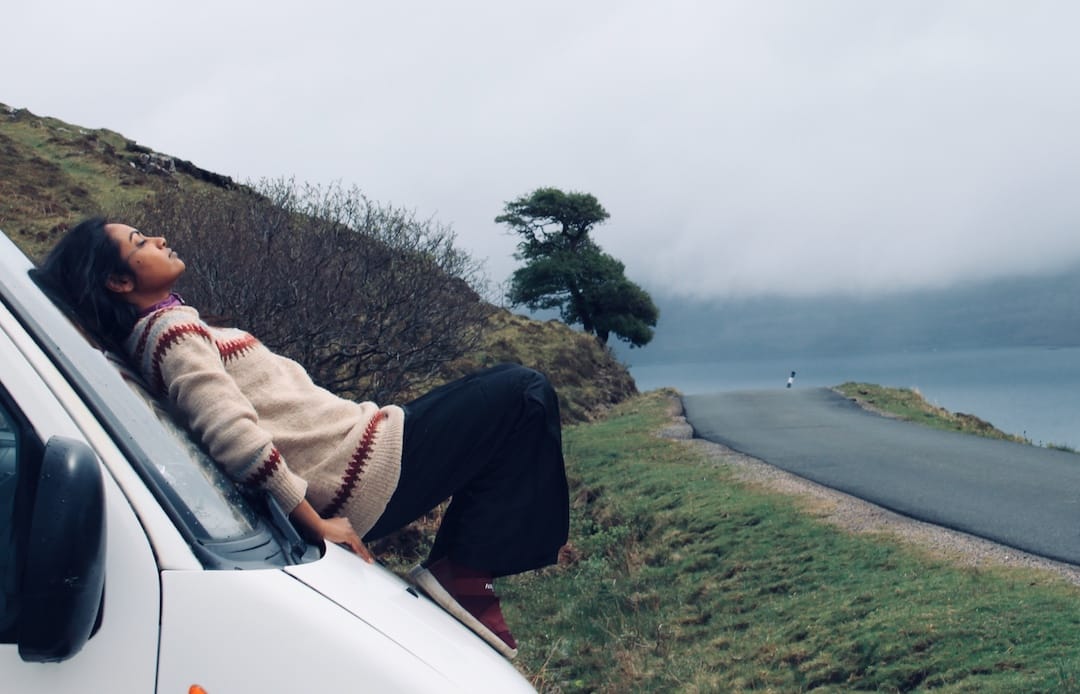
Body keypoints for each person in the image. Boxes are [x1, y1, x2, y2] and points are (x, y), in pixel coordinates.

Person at [39, 217, 570, 660]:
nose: (156, 238)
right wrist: (312, 518)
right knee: (522, 395)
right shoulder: (169, 334)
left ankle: (464, 572)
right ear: (118, 282)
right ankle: (464, 573)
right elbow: (229, 430)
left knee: (510, 407)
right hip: (357, 471)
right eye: (138, 243)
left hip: (364, 446)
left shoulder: (167, 329)